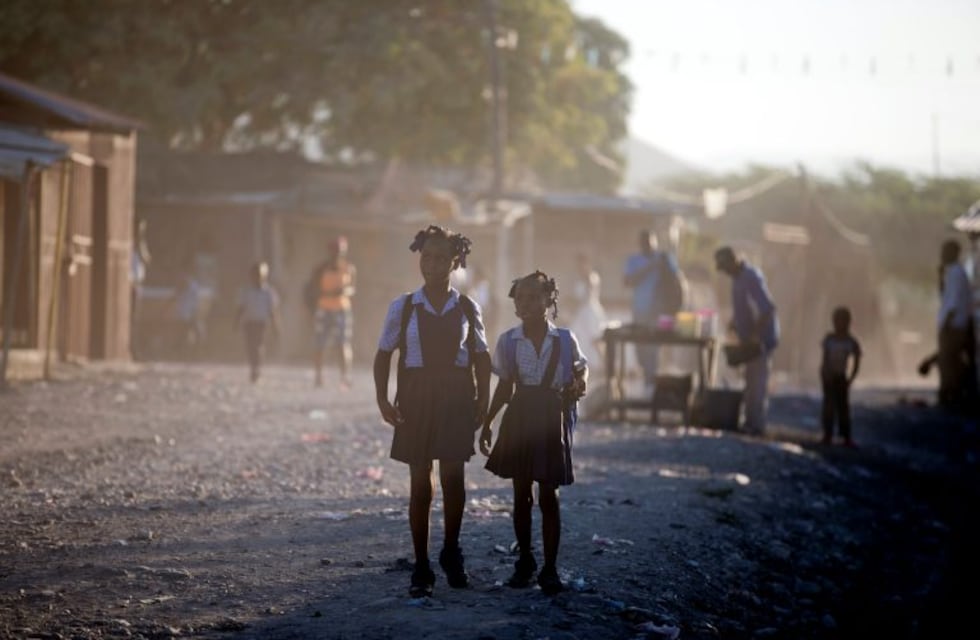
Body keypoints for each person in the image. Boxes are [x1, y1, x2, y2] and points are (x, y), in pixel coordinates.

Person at [373, 225, 491, 598]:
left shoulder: (468, 307)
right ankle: (422, 565)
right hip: (416, 397)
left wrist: (483, 399)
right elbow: (383, 354)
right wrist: (382, 399)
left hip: (456, 396)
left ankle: (451, 551)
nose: (433, 264)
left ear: (455, 262)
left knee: (453, 477)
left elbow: (481, 357)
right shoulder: (404, 306)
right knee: (420, 482)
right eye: (427, 257)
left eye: (442, 258)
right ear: (419, 259)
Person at [480, 271, 588, 595]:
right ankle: (525, 562)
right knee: (521, 493)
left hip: (551, 418)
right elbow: (504, 386)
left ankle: (550, 568)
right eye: (520, 298)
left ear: (549, 300)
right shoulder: (508, 341)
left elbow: (581, 369)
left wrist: (580, 383)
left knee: (549, 494)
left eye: (533, 297)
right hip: (520, 417)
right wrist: (488, 422)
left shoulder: (565, 340)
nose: (525, 304)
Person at [714, 246, 779, 435]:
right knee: (750, 381)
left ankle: (756, 425)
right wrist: (733, 323)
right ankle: (750, 421)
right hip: (749, 340)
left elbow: (767, 309)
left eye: (725, 267)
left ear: (732, 262)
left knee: (757, 383)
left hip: (760, 341)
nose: (724, 272)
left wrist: (754, 336)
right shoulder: (737, 279)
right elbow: (743, 308)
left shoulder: (750, 277)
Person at [623, 229, 685, 390]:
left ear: (655, 242)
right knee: (640, 348)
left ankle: (651, 383)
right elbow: (628, 281)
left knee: (652, 346)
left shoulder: (664, 258)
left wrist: (677, 306)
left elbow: (677, 280)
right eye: (645, 243)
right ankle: (648, 376)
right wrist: (650, 267)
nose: (649, 246)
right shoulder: (634, 260)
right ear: (641, 244)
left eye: (651, 243)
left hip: (658, 310)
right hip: (639, 310)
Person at [310, 236, 356, 390]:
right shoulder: (321, 269)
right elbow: (313, 289)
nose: (337, 254)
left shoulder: (349, 268)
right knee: (320, 343)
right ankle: (318, 376)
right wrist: (327, 293)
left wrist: (344, 291)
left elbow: (352, 288)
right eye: (335, 251)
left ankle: (345, 376)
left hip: (342, 309)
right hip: (324, 308)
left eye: (340, 251)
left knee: (343, 344)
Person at [935, 239, 974, 411]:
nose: (942, 255)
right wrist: (940, 277)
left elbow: (954, 302)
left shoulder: (957, 273)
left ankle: (950, 394)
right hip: (951, 323)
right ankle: (949, 394)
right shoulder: (951, 272)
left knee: (948, 362)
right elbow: (944, 296)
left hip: (953, 325)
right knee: (947, 361)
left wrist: (947, 323)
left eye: (945, 252)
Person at [819, 306, 862, 446]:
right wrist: (825, 374)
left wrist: (850, 379)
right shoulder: (829, 339)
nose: (839, 324)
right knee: (828, 407)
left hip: (841, 378)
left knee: (843, 408)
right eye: (837, 320)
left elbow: (857, 362)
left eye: (843, 321)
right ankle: (828, 434)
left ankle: (846, 437)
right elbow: (824, 360)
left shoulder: (851, 341)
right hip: (829, 377)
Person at [235, 261, 281, 383]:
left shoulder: (269, 292)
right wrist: (236, 322)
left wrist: (276, 325)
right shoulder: (246, 291)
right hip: (249, 322)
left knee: (258, 345)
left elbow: (272, 310)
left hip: (262, 322)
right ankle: (253, 367)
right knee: (250, 346)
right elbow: (241, 307)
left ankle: (257, 368)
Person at [569, 251, 607, 375]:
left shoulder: (591, 277)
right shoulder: (578, 279)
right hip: (581, 313)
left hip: (590, 313)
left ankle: (606, 364)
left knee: (595, 340)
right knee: (573, 337)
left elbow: (587, 296)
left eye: (582, 264)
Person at [129, 218, 151, 359]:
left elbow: (146, 259)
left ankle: (134, 347)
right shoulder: (128, 245)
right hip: (130, 284)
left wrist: (141, 241)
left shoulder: (140, 246)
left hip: (138, 285)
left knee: (136, 318)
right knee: (131, 318)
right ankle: (131, 347)